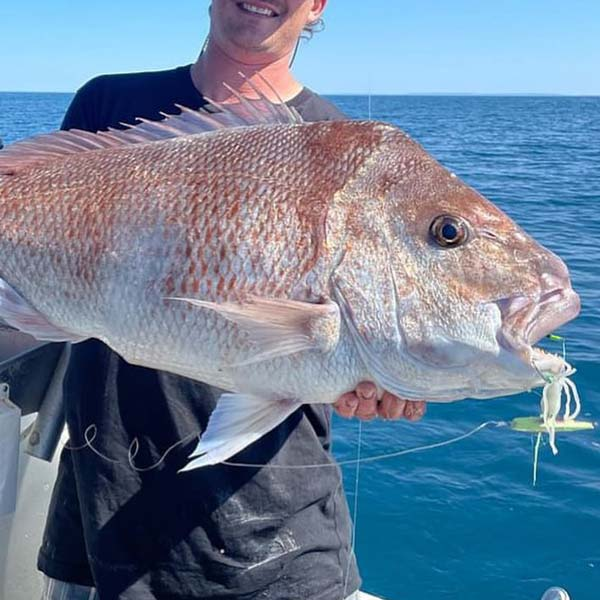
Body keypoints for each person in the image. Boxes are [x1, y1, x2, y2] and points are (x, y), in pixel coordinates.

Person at [37, 1, 426, 599]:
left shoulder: (347, 153)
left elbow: (346, 341)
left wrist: (386, 375)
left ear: (318, 3)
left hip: (270, 541)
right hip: (100, 510)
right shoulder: (108, 105)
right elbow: (31, 256)